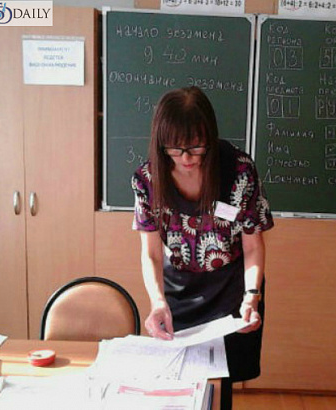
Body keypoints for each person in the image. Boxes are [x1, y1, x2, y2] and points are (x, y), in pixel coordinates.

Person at [131, 86, 274, 410]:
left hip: (233, 290)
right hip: (179, 292)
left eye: (196, 147)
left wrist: (251, 296)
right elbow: (151, 253)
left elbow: (253, 245)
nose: (186, 158)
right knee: (180, 382)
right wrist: (157, 302)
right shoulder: (148, 180)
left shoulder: (239, 172)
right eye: (175, 148)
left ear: (209, 135)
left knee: (221, 383)